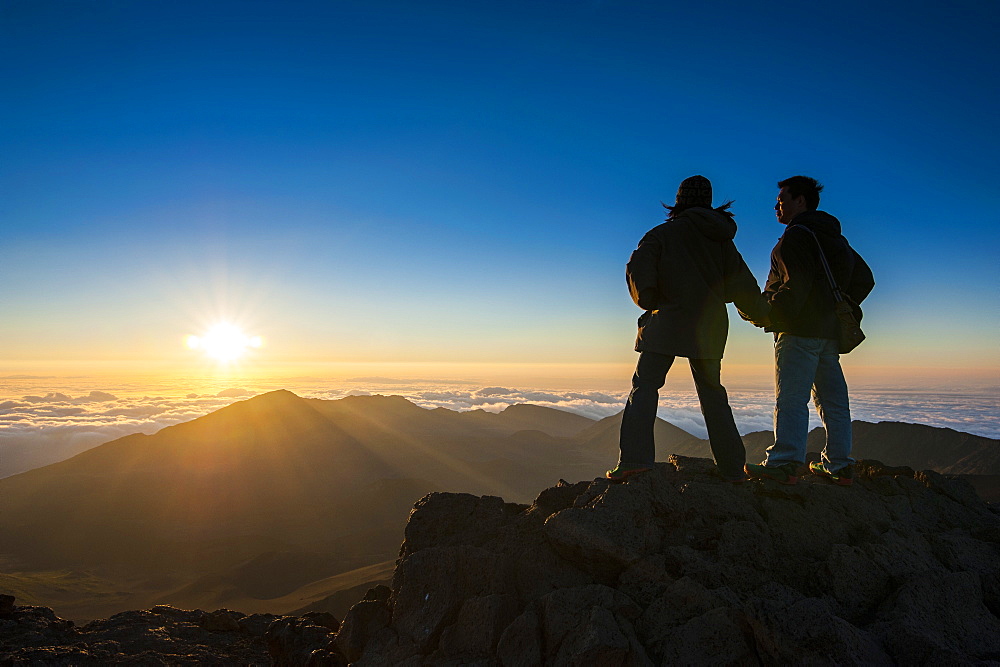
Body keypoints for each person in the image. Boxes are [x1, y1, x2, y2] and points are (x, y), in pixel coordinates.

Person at [607, 175, 769, 483]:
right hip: (709, 328)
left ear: (678, 202)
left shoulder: (661, 234)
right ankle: (733, 468)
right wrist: (764, 318)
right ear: (709, 203)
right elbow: (744, 288)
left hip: (666, 322)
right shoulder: (723, 242)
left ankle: (635, 460)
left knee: (645, 388)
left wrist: (653, 301)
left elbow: (638, 272)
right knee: (712, 394)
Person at [744, 176, 874, 486]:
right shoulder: (836, 240)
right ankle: (839, 464)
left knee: (791, 399)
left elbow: (796, 286)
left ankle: (785, 463)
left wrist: (770, 313)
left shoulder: (794, 237)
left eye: (782, 200)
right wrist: (838, 305)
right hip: (828, 333)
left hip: (798, 332)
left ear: (800, 201)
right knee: (833, 402)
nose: (777, 205)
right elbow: (865, 279)